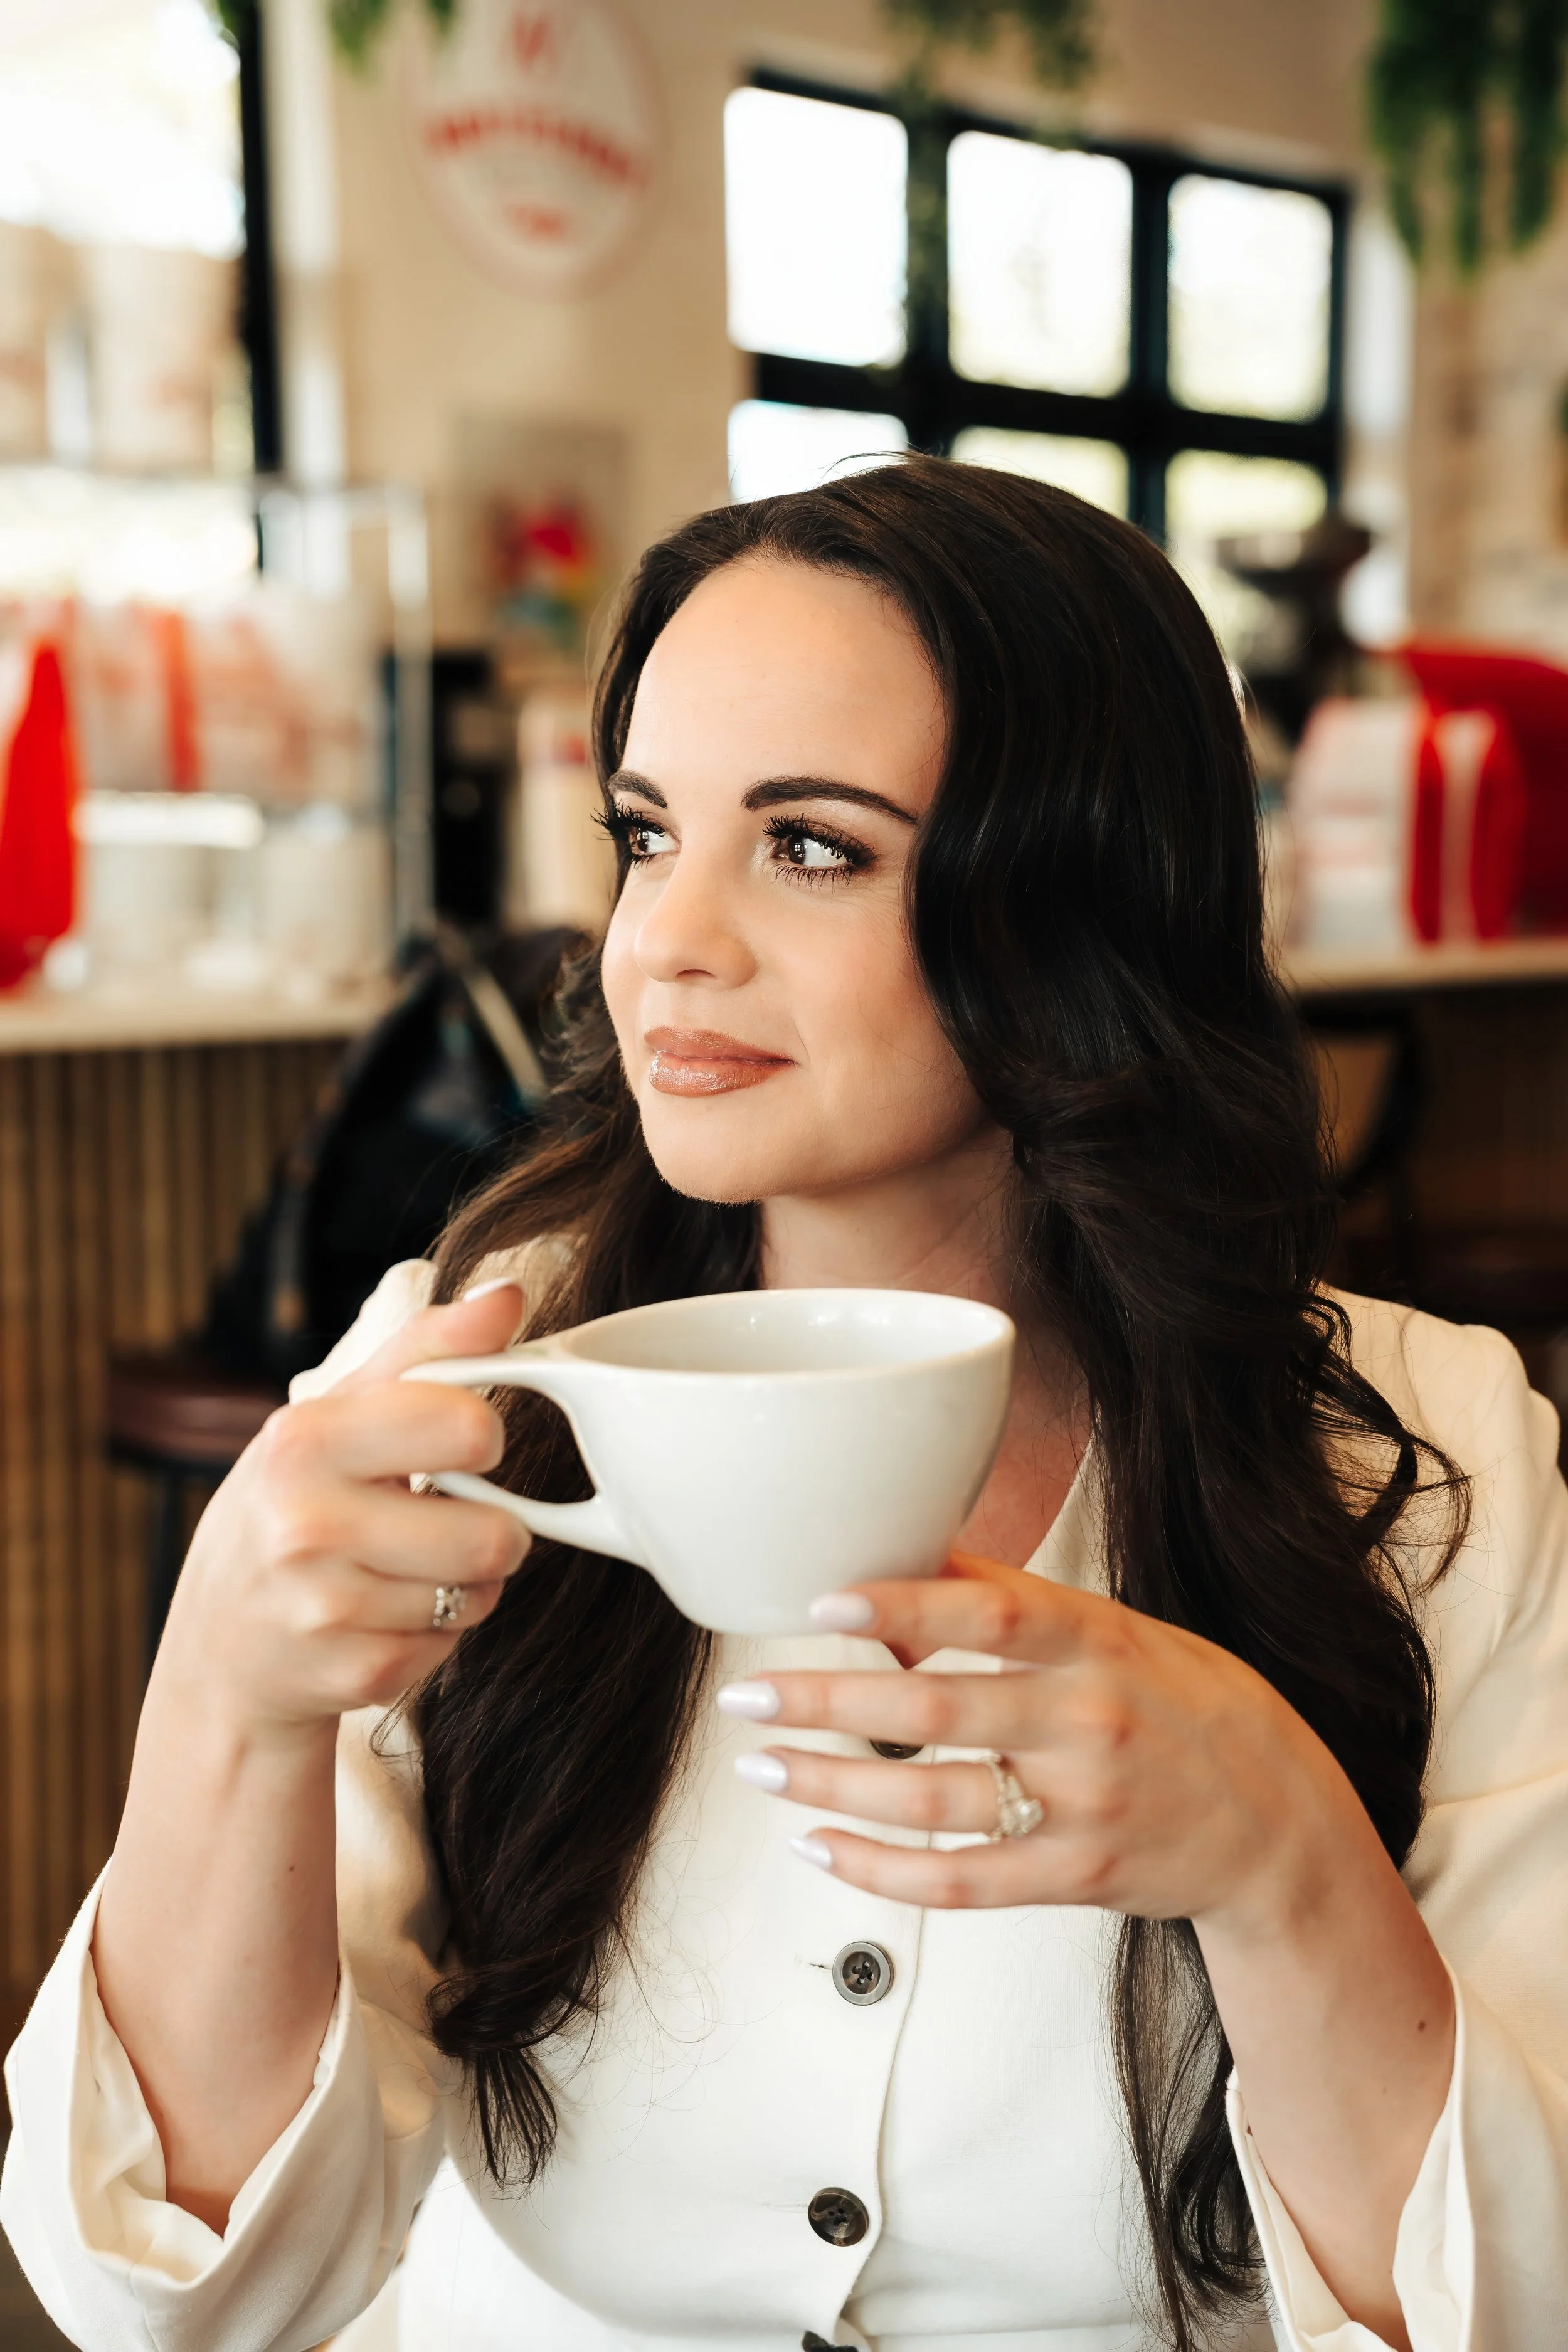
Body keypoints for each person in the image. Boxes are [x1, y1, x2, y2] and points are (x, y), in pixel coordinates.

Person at [5, 458, 1567, 2352]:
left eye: (813, 843)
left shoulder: (1432, 1453)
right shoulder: (463, 1385)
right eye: (647, 834)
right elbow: (175, 2299)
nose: (663, 938)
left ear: (1081, 899)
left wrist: (1279, 1855)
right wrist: (225, 1698)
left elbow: (1517, 2303)